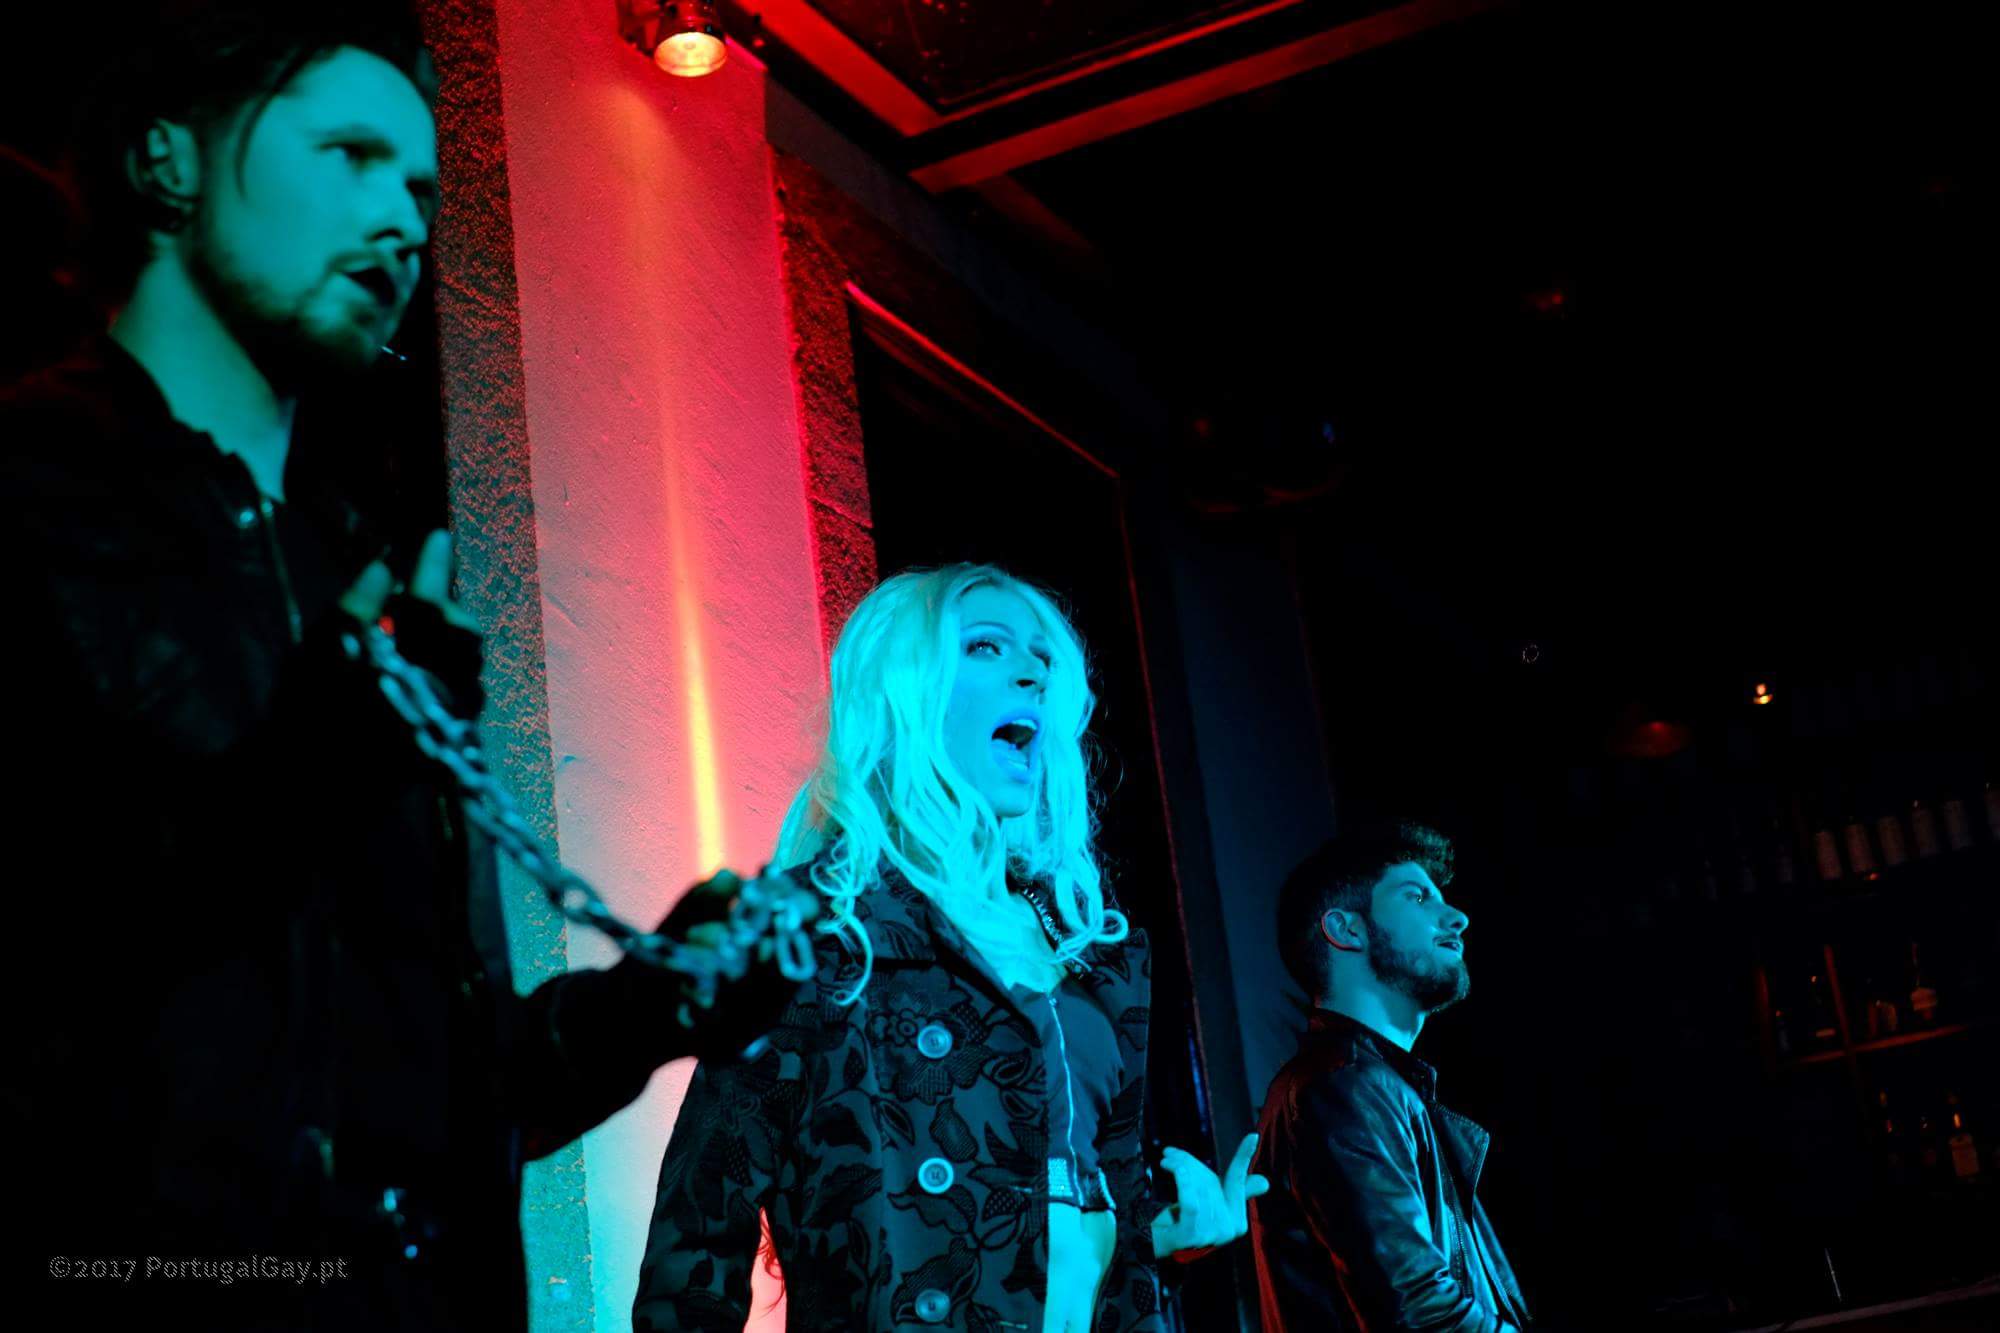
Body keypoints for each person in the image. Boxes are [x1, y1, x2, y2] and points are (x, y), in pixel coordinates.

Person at [5, 6, 801, 1328]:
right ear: (167, 160)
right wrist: (308, 768)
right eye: (350, 155)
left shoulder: (364, 582)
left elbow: (437, 1096)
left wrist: (654, 1002)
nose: (402, 221)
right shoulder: (25, 501)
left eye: (424, 189)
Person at [633, 564, 1267, 1332]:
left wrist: (1162, 1236)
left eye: (1041, 658)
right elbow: (698, 1236)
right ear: (905, 693)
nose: (1033, 673)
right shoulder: (815, 929)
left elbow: (1089, 1201)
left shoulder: (1096, 956)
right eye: (986, 646)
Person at [1249, 822, 1532, 1332]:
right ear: (1347, 930)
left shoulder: (1369, 1085)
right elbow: (1421, 1311)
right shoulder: (1345, 1087)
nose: (1458, 917)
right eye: (1417, 897)